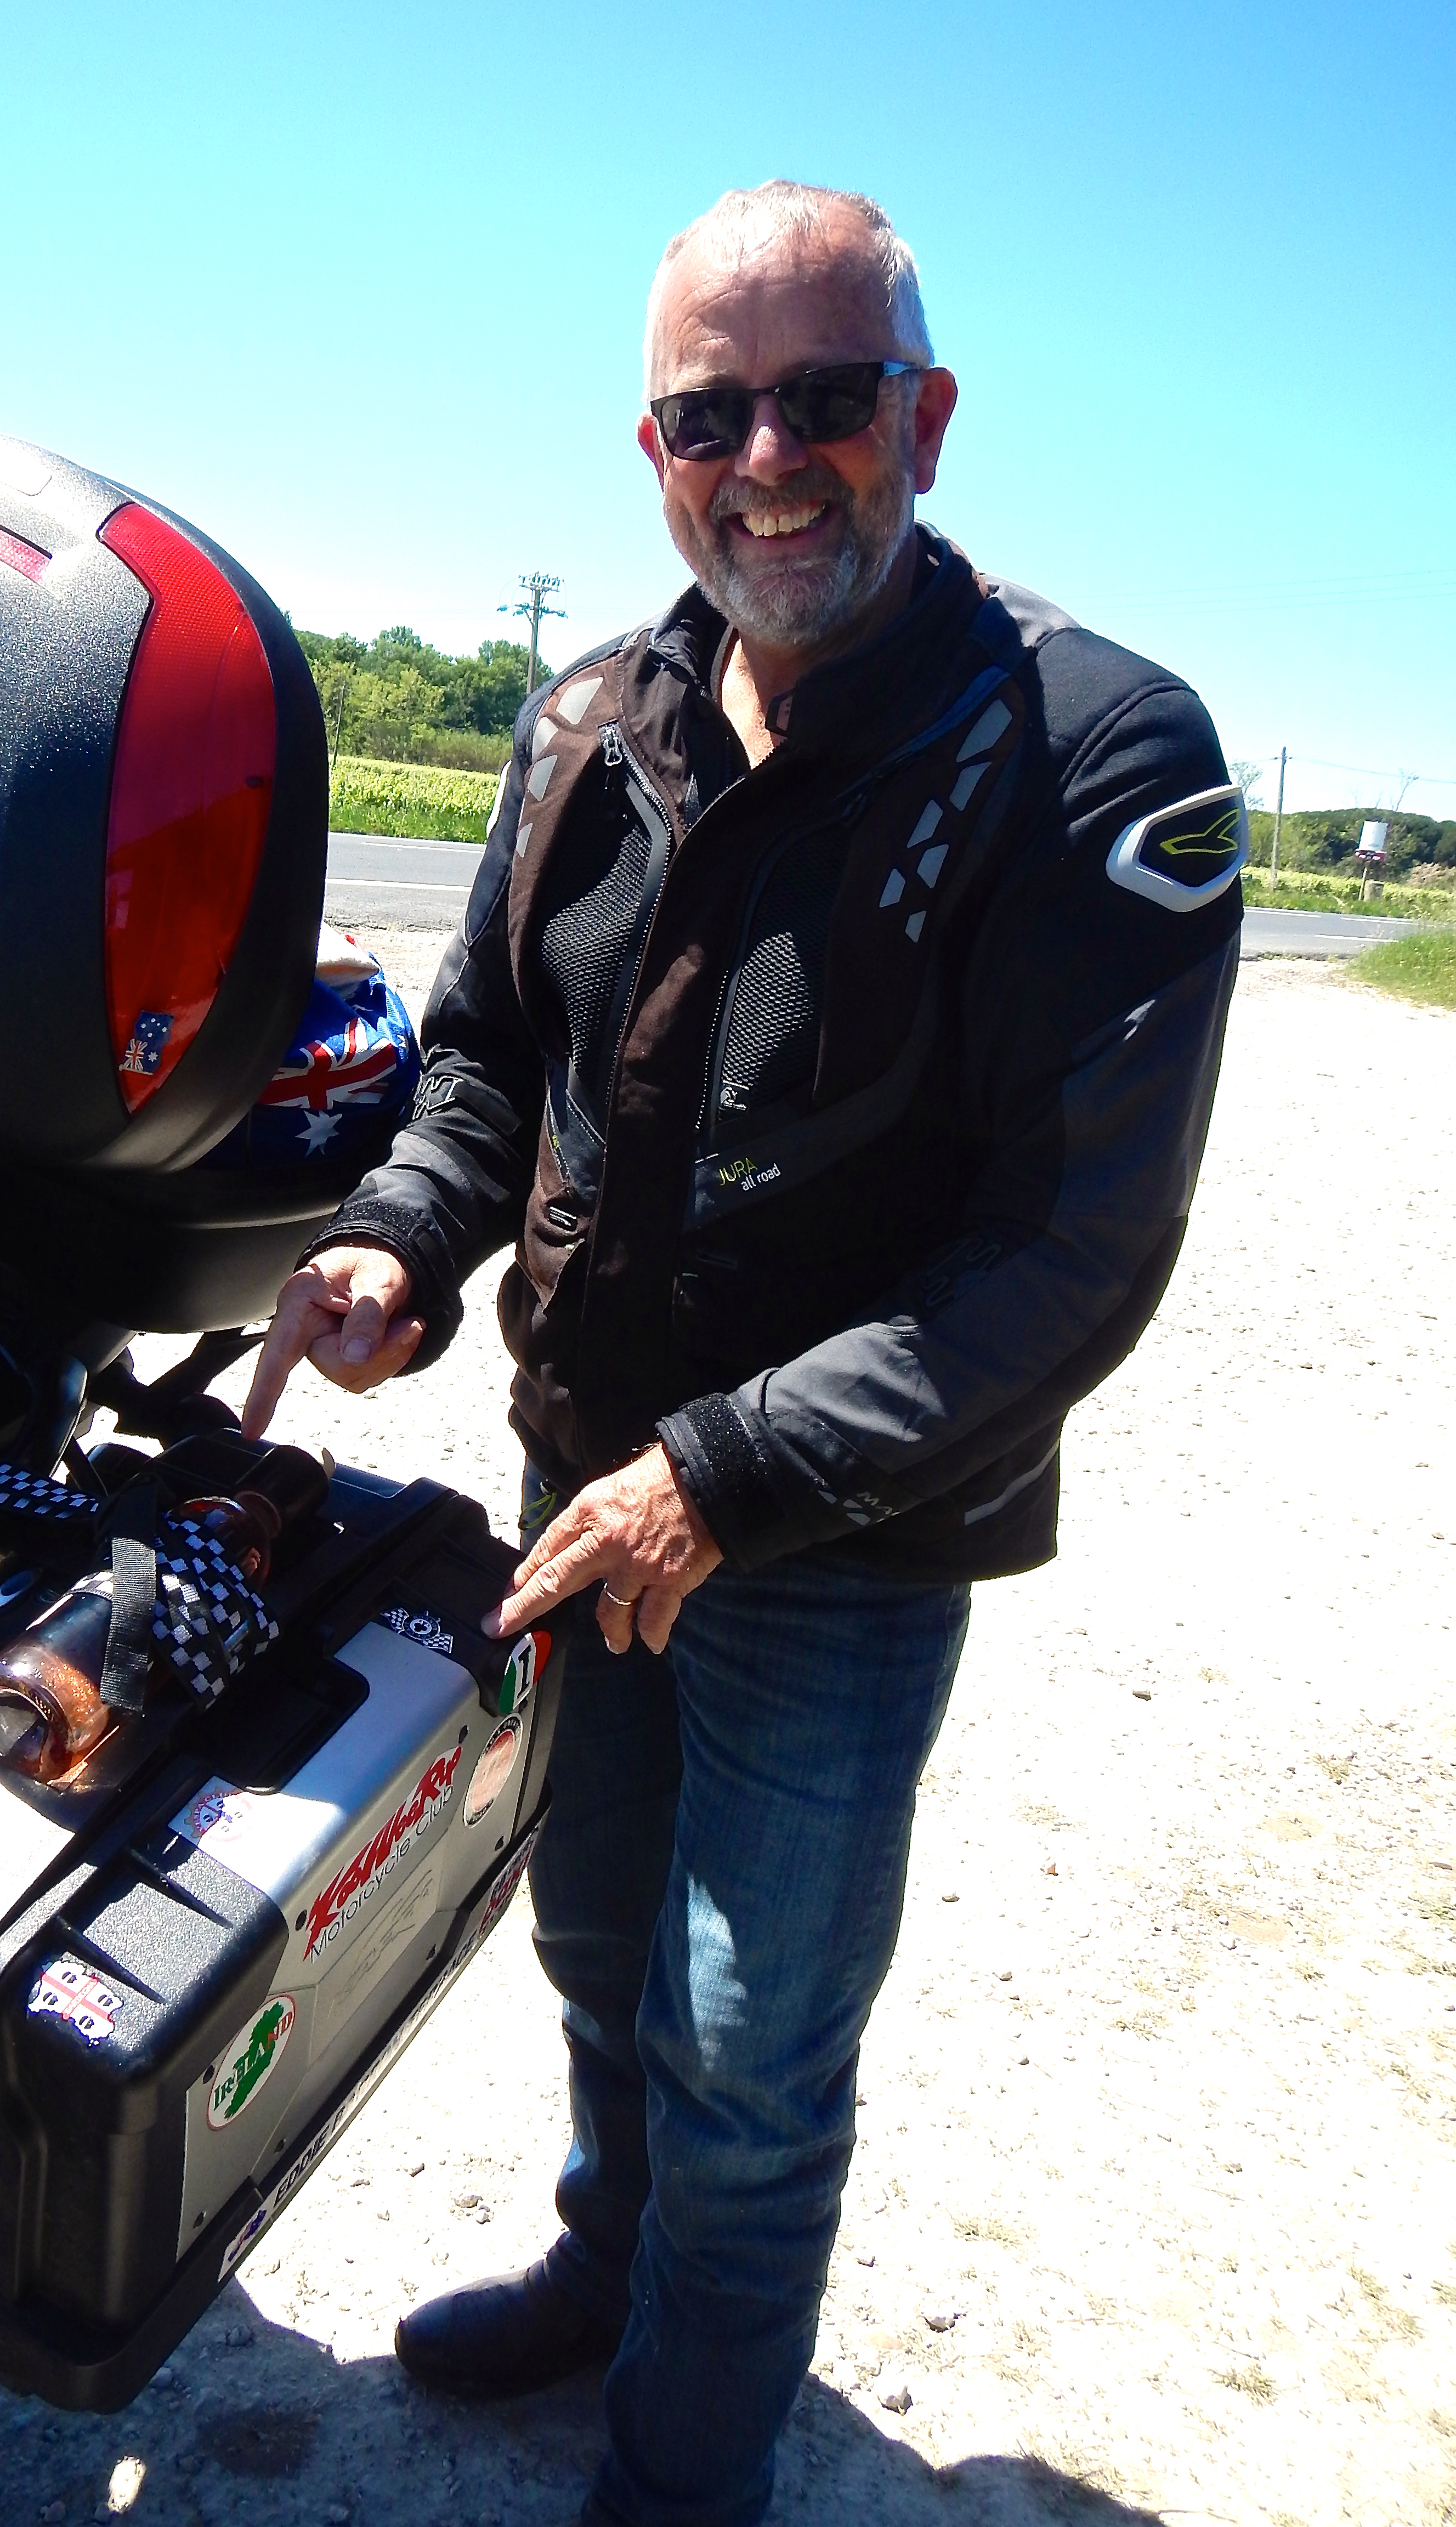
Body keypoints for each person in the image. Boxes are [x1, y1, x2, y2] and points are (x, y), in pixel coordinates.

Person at [241, 180, 1244, 2527]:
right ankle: (613, 2272)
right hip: (580, 1484)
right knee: (594, 1940)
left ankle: (687, 2468)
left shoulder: (1094, 752)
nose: (770, 458)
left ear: (930, 417)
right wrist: (399, 1240)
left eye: (828, 400)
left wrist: (726, 1473)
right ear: (653, 446)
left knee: (750, 2045)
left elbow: (1074, 1251)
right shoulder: (593, 715)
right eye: (714, 413)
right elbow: (491, 1059)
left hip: (834, 1534)